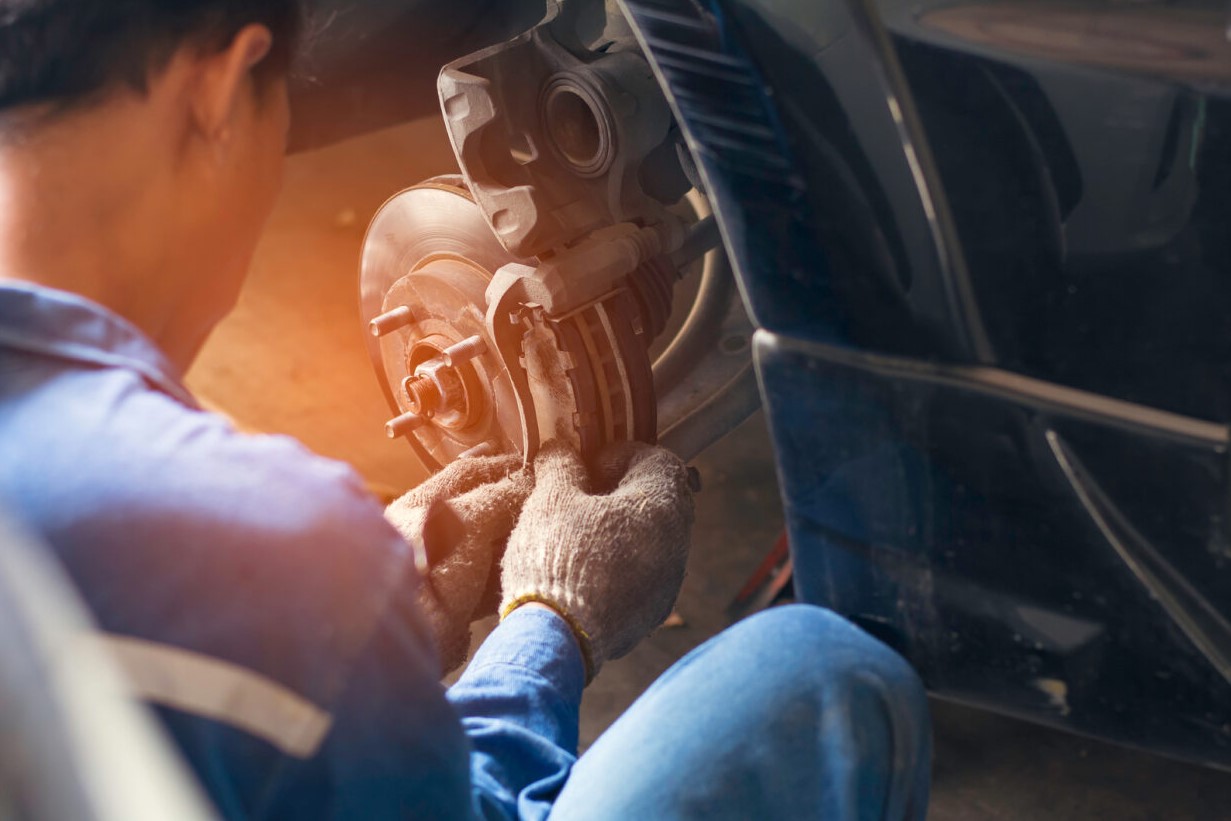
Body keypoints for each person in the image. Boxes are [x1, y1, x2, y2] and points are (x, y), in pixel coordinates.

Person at [0, 1, 932, 818]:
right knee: (823, 681)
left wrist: (350, 623)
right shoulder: (253, 533)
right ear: (221, 92)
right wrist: (547, 624)